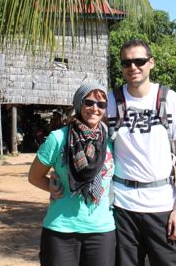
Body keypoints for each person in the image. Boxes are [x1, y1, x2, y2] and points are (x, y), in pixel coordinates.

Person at [107, 39, 176, 266]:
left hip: (162, 206)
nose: (133, 67)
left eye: (139, 61)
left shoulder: (169, 99)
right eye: (126, 63)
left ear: (151, 63)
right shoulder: (110, 101)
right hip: (122, 207)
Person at [28, 83, 115, 266]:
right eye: (89, 102)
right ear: (79, 104)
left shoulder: (112, 140)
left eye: (101, 104)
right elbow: (34, 176)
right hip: (61, 229)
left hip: (101, 230)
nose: (95, 109)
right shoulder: (58, 138)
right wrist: (51, 186)